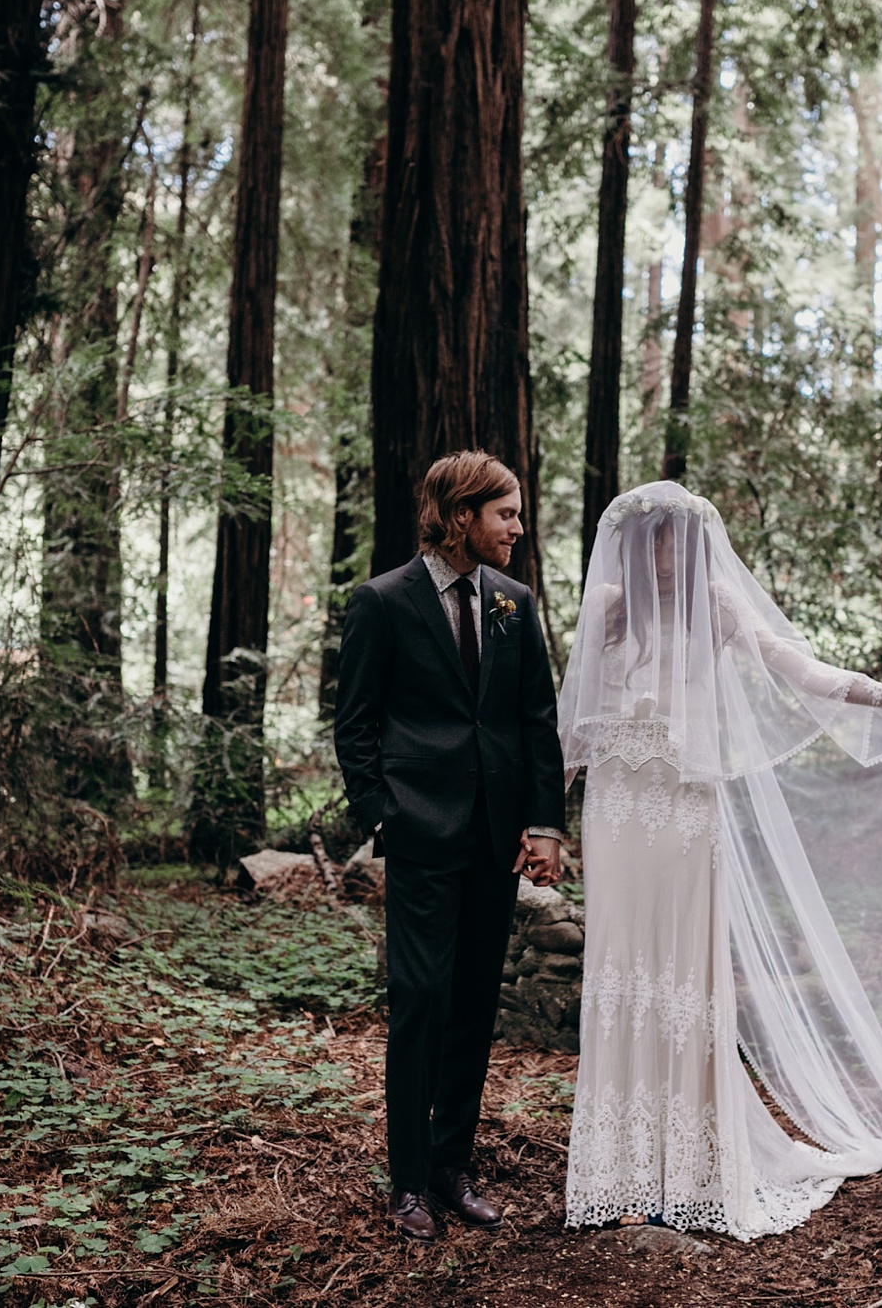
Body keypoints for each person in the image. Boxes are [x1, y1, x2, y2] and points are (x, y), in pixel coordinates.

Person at [558, 481, 882, 1241]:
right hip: (618, 817)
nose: (670, 553)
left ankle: (690, 1167)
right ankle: (623, 1168)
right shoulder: (608, 607)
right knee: (622, 973)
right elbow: (571, 727)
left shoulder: (718, 604)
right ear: (639, 546)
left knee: (681, 979)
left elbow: (807, 674)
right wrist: (537, 820)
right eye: (658, 540)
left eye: (680, 539)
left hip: (685, 816)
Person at [333, 451, 568, 1242]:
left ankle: (451, 1167)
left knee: (472, 1005)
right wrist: (383, 816)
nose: (517, 528)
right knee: (421, 1003)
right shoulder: (382, 602)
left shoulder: (513, 602)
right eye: (506, 514)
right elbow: (355, 723)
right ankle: (405, 1184)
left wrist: (544, 824)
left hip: (495, 841)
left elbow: (537, 718)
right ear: (462, 515)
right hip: (421, 835)